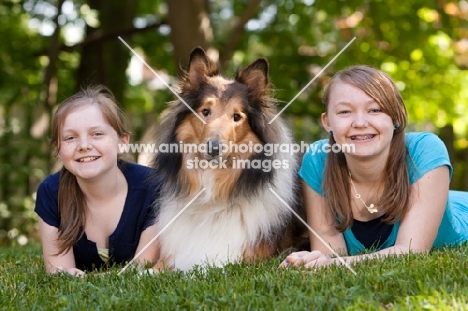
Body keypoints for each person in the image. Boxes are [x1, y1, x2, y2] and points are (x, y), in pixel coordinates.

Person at [281, 65, 468, 270]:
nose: (360, 122)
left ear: (395, 117)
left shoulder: (425, 150)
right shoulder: (318, 159)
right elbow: (330, 255)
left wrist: (332, 264)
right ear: (327, 122)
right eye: (345, 111)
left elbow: (412, 251)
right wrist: (320, 263)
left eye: (375, 110)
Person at [35, 85, 160, 276]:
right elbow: (60, 272)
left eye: (97, 134)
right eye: (70, 137)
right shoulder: (51, 192)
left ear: (122, 142)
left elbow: (141, 268)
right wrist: (68, 275)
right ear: (57, 149)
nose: (84, 145)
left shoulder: (154, 186)